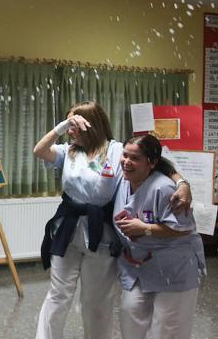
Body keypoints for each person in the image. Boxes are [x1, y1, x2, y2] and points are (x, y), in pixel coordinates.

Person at [32, 101, 192, 339]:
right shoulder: (69, 151)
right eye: (69, 125)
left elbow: (158, 162)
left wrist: (182, 183)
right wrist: (62, 126)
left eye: (74, 125)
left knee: (95, 300)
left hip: (101, 232)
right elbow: (39, 151)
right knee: (58, 293)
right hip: (67, 229)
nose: (71, 130)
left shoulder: (117, 150)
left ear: (91, 125)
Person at [113, 134, 205, 339]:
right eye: (125, 155)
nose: (126, 162)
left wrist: (145, 228)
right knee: (130, 315)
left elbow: (183, 228)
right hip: (139, 267)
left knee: (168, 328)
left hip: (173, 268)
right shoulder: (122, 179)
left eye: (135, 158)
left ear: (152, 163)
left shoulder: (164, 189)